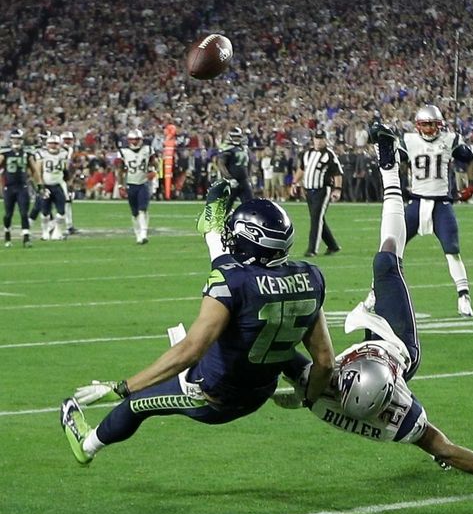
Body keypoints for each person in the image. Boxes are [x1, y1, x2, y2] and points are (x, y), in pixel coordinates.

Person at [274, 126, 473, 494]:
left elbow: (282, 359)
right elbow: (444, 447)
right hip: (400, 346)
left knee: (270, 347)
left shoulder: (325, 390)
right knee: (387, 259)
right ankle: (389, 168)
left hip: (338, 382)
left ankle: (389, 167)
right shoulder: (400, 411)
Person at [60, 183, 336, 465]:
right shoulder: (310, 277)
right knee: (264, 333)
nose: (229, 239)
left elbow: (190, 351)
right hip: (261, 391)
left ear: (250, 240)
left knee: (135, 404)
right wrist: (308, 398)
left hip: (213, 396)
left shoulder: (231, 282)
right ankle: (305, 379)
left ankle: (87, 445)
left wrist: (122, 387)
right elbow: (325, 362)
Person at [390, 104, 473, 317]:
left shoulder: (450, 140)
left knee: (452, 251)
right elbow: (394, 163)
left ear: (440, 125)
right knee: (392, 248)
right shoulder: (408, 141)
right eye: (426, 124)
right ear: (418, 125)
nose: (430, 129)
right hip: (416, 202)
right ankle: (376, 292)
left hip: (441, 204)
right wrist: (399, 185)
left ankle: (463, 296)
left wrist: (471, 185)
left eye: (433, 124)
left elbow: (469, 160)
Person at [292, 129, 343, 257]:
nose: (319, 141)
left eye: (321, 138)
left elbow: (337, 173)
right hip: (309, 191)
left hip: (322, 190)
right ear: (313, 139)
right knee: (319, 219)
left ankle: (312, 249)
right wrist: (294, 183)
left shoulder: (329, 155)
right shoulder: (307, 153)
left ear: (325, 140)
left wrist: (337, 189)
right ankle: (333, 246)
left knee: (316, 219)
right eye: (317, 138)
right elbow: (302, 170)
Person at [117, 129, 158, 244]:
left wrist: (153, 171)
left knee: (142, 210)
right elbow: (120, 170)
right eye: (132, 139)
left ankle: (143, 234)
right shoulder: (123, 152)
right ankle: (137, 234)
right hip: (131, 183)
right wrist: (121, 185)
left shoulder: (147, 150)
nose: (135, 142)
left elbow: (155, 163)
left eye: (137, 139)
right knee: (134, 212)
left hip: (143, 182)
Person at [1, 129, 39, 248]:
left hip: (22, 186)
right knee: (8, 214)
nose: (16, 141)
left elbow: (34, 170)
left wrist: (40, 184)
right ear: (11, 139)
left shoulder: (27, 153)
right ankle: (7, 234)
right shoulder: (5, 153)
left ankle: (26, 238)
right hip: (9, 187)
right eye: (14, 138)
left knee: (24, 213)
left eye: (18, 139)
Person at [36, 134, 70, 241]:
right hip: (46, 185)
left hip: (58, 184)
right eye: (51, 143)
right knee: (45, 213)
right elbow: (38, 171)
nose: (53, 146)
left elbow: (65, 170)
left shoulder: (64, 153)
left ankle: (57, 232)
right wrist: (41, 186)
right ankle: (45, 233)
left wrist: (68, 183)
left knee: (61, 212)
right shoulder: (42, 154)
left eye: (55, 144)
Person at [216, 127, 254, 205]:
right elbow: (221, 164)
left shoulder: (244, 148)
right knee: (226, 206)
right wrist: (229, 178)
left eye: (238, 136)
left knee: (250, 204)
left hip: (244, 180)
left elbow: (249, 164)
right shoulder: (226, 148)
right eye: (234, 136)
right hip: (231, 181)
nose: (236, 138)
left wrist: (249, 177)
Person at [60, 130, 78, 234]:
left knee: (68, 201)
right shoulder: (59, 150)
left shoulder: (70, 150)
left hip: (64, 178)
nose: (67, 141)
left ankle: (69, 225)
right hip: (56, 178)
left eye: (69, 139)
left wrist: (71, 179)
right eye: (65, 139)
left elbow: (70, 167)